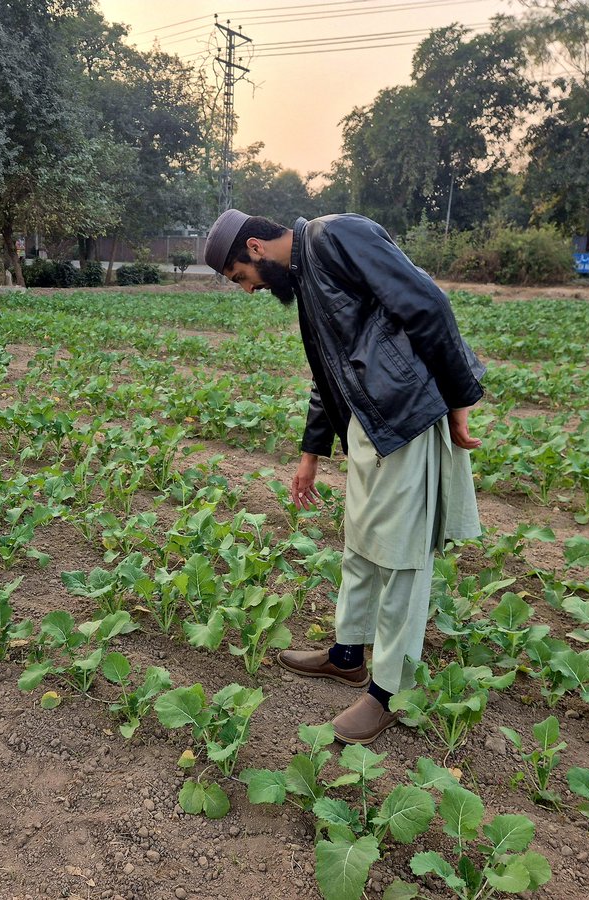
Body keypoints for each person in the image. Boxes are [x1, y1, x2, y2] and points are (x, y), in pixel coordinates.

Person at [203, 209, 485, 746]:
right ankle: (348, 655)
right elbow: (325, 369)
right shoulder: (307, 274)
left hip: (404, 418)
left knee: (401, 556)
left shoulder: (337, 236)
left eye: (241, 276)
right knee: (359, 543)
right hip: (367, 425)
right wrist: (311, 453)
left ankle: (389, 692)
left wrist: (459, 399)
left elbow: (427, 303)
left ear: (256, 248)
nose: (247, 290)